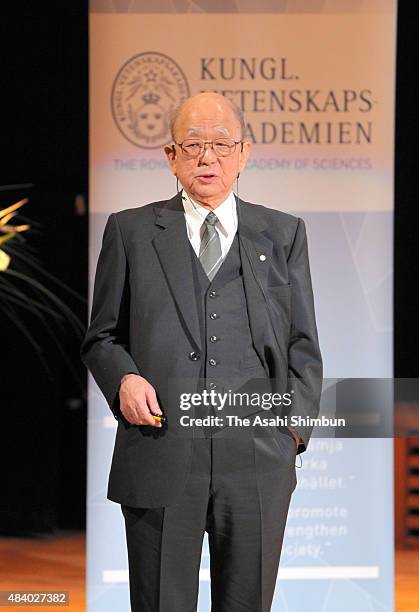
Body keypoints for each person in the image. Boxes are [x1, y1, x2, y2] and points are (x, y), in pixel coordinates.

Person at [80, 92, 322, 612]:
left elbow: (304, 345)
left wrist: (291, 433)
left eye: (219, 145)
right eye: (192, 146)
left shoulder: (281, 234)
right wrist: (123, 378)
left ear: (244, 153)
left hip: (257, 459)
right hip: (162, 450)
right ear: (171, 155)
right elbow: (101, 336)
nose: (207, 158)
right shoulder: (131, 232)